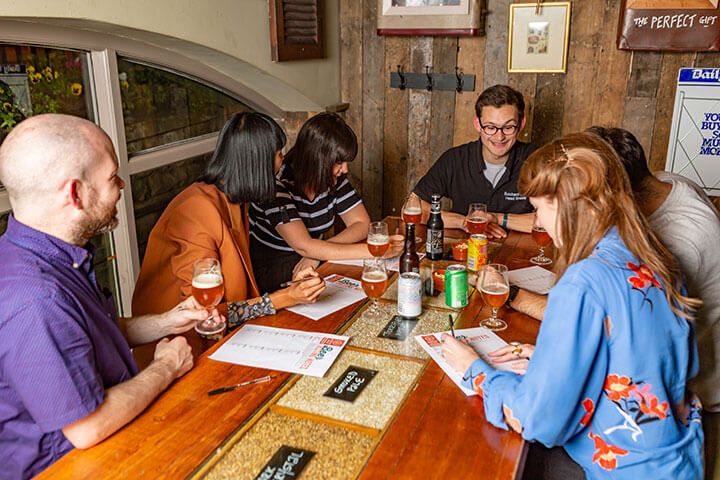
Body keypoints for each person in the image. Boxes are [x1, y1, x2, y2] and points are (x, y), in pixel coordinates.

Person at [442, 133, 704, 478]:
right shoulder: (655, 256)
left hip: (622, 467)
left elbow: (536, 420)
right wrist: (560, 357)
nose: (538, 223)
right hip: (680, 458)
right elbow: (663, 362)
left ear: (565, 205)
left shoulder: (583, 281)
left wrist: (475, 369)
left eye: (539, 209)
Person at [0, 114, 209, 479]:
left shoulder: (45, 253)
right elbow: (87, 428)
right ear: (75, 193)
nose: (123, 184)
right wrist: (167, 367)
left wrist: (168, 321)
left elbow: (93, 333)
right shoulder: (36, 299)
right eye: (112, 177)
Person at [133, 112, 326, 329]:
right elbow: (205, 315)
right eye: (278, 153)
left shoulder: (234, 200)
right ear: (257, 162)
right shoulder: (196, 211)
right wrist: (287, 296)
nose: (282, 159)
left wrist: (294, 287)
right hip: (180, 343)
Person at [250, 112, 402, 293]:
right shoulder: (278, 184)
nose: (344, 169)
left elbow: (361, 224)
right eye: (338, 162)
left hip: (316, 262)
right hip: (276, 272)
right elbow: (304, 245)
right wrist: (376, 250)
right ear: (317, 158)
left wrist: (317, 255)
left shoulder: (332, 178)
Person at [412, 84, 537, 238]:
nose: (499, 137)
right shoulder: (454, 159)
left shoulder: (537, 160)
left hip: (519, 255)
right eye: (490, 127)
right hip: (462, 252)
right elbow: (412, 206)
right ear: (478, 124)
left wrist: (497, 219)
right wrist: (464, 222)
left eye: (508, 127)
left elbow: (559, 218)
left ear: (521, 124)